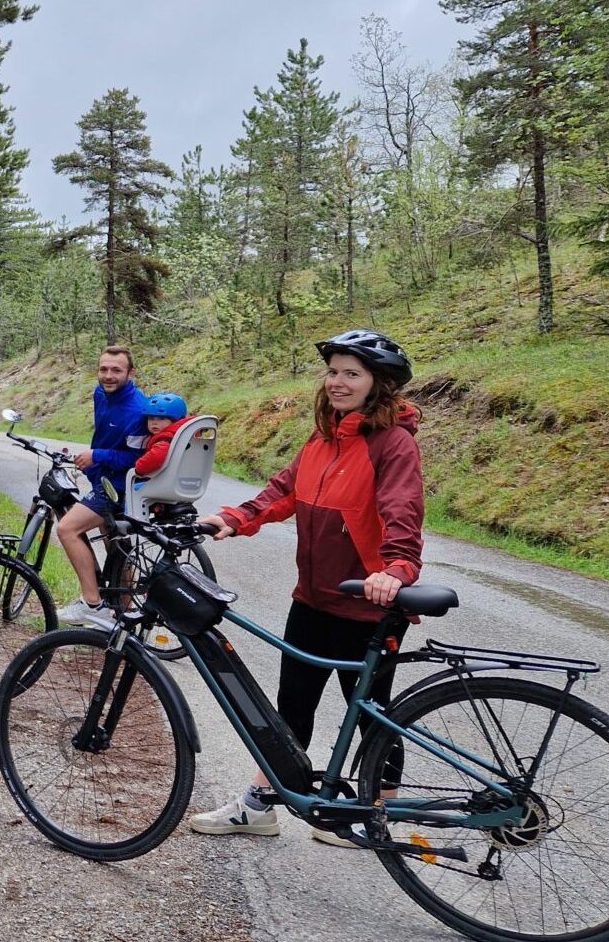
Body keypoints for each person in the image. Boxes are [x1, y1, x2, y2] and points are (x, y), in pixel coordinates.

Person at [188, 329, 423, 844]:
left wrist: (397, 568)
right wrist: (233, 517)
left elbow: (401, 512)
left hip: (367, 604)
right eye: (333, 372)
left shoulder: (393, 443)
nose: (338, 382)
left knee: (374, 716)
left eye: (351, 374)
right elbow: (282, 491)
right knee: (290, 707)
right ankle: (262, 803)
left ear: (377, 383)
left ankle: (378, 814)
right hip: (312, 599)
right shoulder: (324, 438)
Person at [54, 346, 149, 629]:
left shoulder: (138, 412)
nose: (108, 376)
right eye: (103, 369)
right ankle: (123, 615)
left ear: (130, 373)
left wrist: (97, 456)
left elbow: (136, 460)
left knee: (67, 528)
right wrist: (94, 465)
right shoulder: (100, 394)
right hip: (102, 479)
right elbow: (104, 436)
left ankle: (92, 603)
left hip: (119, 487)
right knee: (115, 545)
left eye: (116, 370)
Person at [131, 392, 193, 481]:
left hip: (162, 481)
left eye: (161, 418)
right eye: (151, 418)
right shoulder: (184, 433)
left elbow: (156, 457)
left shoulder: (165, 439)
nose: (154, 422)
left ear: (175, 420)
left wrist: (138, 468)